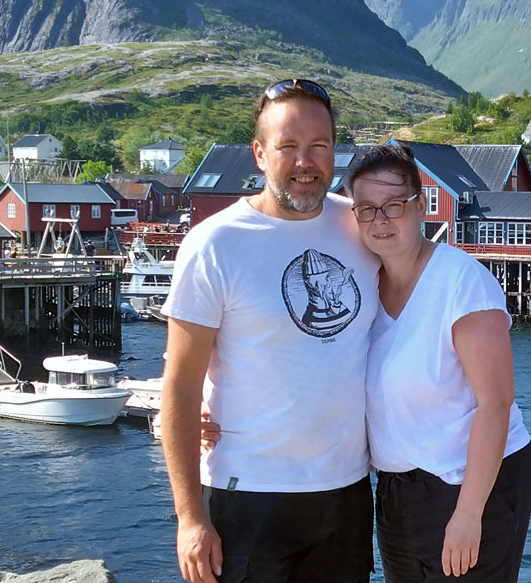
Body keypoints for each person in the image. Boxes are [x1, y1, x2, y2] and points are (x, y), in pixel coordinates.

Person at [160, 78, 379, 583]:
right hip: (246, 495)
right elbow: (180, 383)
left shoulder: (361, 227)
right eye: (289, 147)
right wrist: (190, 519)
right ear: (259, 154)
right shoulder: (214, 244)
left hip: (344, 493)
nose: (306, 161)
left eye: (319, 146)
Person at [348, 144, 531, 582]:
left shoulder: (462, 284)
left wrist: (469, 515)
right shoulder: (362, 287)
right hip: (397, 489)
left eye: (393, 206)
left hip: (475, 482)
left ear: (420, 206)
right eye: (367, 209)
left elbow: (496, 402)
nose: (380, 220)